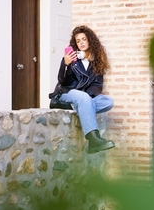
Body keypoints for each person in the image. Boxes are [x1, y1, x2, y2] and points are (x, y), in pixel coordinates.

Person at [49, 25, 115, 154]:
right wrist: (66, 65)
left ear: (90, 40)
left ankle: (81, 106)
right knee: (83, 98)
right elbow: (63, 82)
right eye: (78, 41)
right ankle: (94, 140)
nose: (81, 42)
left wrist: (86, 98)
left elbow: (97, 85)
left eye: (84, 39)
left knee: (108, 102)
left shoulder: (96, 61)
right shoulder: (70, 59)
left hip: (83, 97)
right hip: (66, 93)